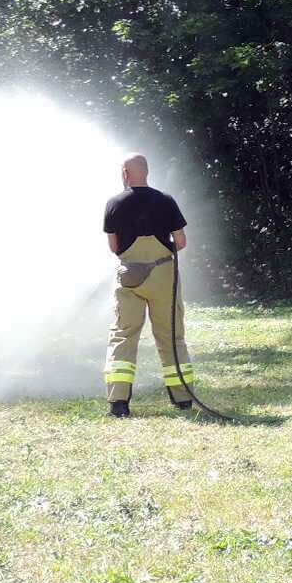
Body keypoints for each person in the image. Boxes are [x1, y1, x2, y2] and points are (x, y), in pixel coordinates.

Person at [102, 153, 194, 417]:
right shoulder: (165, 201)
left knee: (123, 335)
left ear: (125, 173)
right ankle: (183, 398)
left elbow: (114, 247)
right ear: (147, 172)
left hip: (129, 279)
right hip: (164, 275)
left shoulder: (114, 203)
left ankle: (118, 403)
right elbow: (181, 241)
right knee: (171, 335)